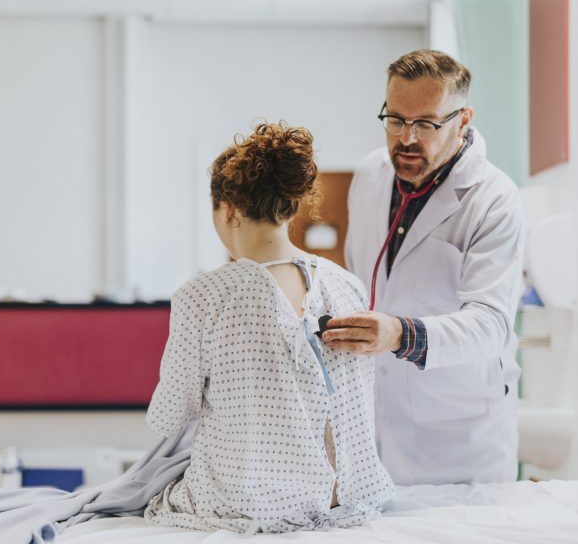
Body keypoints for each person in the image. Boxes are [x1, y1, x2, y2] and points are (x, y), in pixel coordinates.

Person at [143, 122, 394, 533]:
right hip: (352, 497)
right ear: (290, 208)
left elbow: (170, 416)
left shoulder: (204, 295)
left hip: (255, 505)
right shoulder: (346, 285)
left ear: (227, 210)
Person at [322, 50, 523, 485]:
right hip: (375, 427)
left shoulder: (494, 199)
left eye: (426, 123)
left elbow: (491, 326)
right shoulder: (371, 175)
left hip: (458, 439)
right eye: (395, 119)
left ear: (463, 120)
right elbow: (360, 282)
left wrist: (399, 334)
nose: (407, 138)